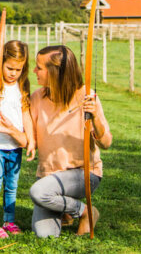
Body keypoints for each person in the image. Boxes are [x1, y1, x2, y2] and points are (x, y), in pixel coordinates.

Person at [26, 45, 112, 238]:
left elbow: (106, 143)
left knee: (39, 193)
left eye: (39, 67)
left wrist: (95, 117)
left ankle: (86, 212)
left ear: (56, 72)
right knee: (45, 235)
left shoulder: (86, 96)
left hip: (82, 175)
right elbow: (28, 137)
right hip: (49, 176)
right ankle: (67, 209)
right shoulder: (38, 98)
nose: (34, 71)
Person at [0, 40, 34, 238]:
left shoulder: (23, 85)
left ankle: (8, 221)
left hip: (15, 146)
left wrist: (31, 139)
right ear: (1, 62)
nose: (13, 73)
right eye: (9, 68)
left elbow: (26, 114)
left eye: (18, 69)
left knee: (12, 186)